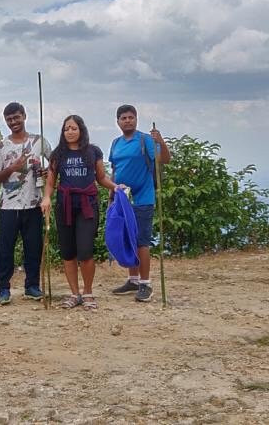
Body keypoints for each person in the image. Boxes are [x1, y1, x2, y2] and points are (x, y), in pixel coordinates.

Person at [40, 115, 123, 310]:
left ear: (81, 130)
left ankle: (88, 293)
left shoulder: (93, 151)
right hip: (65, 205)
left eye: (73, 128)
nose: (70, 132)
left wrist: (115, 187)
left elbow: (101, 178)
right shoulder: (57, 154)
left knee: (85, 251)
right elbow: (51, 182)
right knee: (68, 252)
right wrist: (46, 198)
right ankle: (74, 293)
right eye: (66, 128)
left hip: (87, 204)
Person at [0, 103, 51, 305]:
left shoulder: (39, 141)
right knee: (5, 249)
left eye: (16, 117)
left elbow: (53, 165)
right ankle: (3, 289)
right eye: (9, 119)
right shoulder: (0, 146)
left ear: (24, 116)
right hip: (7, 206)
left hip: (34, 203)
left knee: (33, 247)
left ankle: (32, 286)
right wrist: (13, 168)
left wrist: (46, 172)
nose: (13, 122)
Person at [108, 104, 171, 302]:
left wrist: (160, 141)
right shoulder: (116, 143)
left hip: (143, 197)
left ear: (136, 119)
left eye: (130, 117)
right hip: (122, 198)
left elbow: (165, 160)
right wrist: (112, 193)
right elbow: (115, 169)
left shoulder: (145, 140)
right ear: (118, 121)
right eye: (123, 118)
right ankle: (133, 280)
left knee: (142, 241)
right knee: (127, 238)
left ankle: (145, 284)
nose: (127, 121)